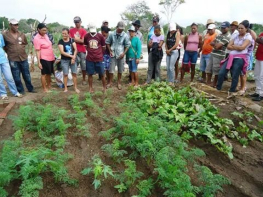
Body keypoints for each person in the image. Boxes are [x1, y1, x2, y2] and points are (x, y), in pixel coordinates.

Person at [216, 21, 253, 98]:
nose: (239, 30)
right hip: (231, 57)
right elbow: (229, 46)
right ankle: (218, 89)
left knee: (235, 74)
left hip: (240, 58)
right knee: (222, 72)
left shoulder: (248, 37)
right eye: (239, 28)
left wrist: (234, 46)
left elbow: (243, 47)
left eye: (242, 28)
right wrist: (238, 47)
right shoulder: (235, 35)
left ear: (246, 29)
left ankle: (232, 91)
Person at [3, 19, 35, 94]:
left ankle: (30, 88)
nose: (16, 26)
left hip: (23, 57)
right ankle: (20, 90)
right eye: (14, 25)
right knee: (16, 76)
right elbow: (4, 46)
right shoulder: (5, 35)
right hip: (13, 58)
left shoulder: (22, 34)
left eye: (17, 24)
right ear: (10, 25)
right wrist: (10, 51)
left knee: (26, 75)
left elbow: (25, 43)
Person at [105, 21, 130, 90]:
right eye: (120, 28)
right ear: (117, 27)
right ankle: (110, 82)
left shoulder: (125, 35)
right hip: (113, 54)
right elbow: (107, 42)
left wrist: (124, 53)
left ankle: (119, 83)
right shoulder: (111, 34)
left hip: (120, 54)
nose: (121, 30)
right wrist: (110, 50)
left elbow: (127, 45)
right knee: (111, 70)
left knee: (120, 70)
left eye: (122, 29)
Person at [206, 22, 231, 87]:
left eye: (224, 27)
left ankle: (214, 83)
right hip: (213, 53)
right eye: (222, 27)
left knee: (216, 70)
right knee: (209, 69)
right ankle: (208, 82)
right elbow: (212, 43)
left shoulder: (228, 36)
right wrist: (216, 45)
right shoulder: (219, 34)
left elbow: (217, 46)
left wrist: (216, 45)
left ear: (228, 28)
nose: (222, 29)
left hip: (219, 56)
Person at [84, 24, 107, 93]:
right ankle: (90, 88)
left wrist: (99, 53)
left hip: (99, 58)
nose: (92, 33)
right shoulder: (86, 36)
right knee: (90, 74)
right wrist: (90, 52)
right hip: (90, 59)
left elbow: (103, 47)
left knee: (102, 74)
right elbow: (85, 46)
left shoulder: (100, 36)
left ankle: (104, 87)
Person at [33, 23, 55, 93]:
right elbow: (38, 51)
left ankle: (49, 86)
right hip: (44, 58)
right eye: (43, 30)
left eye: (46, 30)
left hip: (50, 57)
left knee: (49, 73)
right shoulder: (36, 39)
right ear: (38, 30)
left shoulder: (46, 35)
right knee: (44, 74)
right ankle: (45, 89)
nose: (45, 32)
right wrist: (39, 62)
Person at [0, 33, 22, 99]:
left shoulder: (0, 35)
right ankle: (3, 93)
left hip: (3, 59)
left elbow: (3, 46)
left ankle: (15, 92)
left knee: (9, 77)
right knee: (0, 79)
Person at [58, 28, 79, 93]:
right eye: (63, 33)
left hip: (72, 59)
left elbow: (75, 49)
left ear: (68, 34)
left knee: (74, 73)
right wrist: (71, 56)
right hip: (64, 60)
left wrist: (73, 58)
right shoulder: (60, 41)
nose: (64, 35)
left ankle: (75, 87)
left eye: (65, 34)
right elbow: (62, 52)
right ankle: (65, 88)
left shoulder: (72, 40)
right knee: (65, 74)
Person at [69, 16, 87, 85]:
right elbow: (70, 40)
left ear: (80, 22)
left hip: (82, 50)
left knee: (83, 65)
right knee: (74, 65)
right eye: (75, 22)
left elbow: (83, 41)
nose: (76, 23)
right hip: (74, 50)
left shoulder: (83, 31)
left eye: (78, 22)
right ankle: (74, 79)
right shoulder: (71, 30)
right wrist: (78, 39)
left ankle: (84, 79)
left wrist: (75, 39)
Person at [250, 33, 263, 101]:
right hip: (259, 57)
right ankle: (258, 92)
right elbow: (257, 39)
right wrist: (259, 39)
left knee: (261, 76)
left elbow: (259, 40)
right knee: (257, 75)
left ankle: (261, 94)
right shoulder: (262, 33)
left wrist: (260, 39)